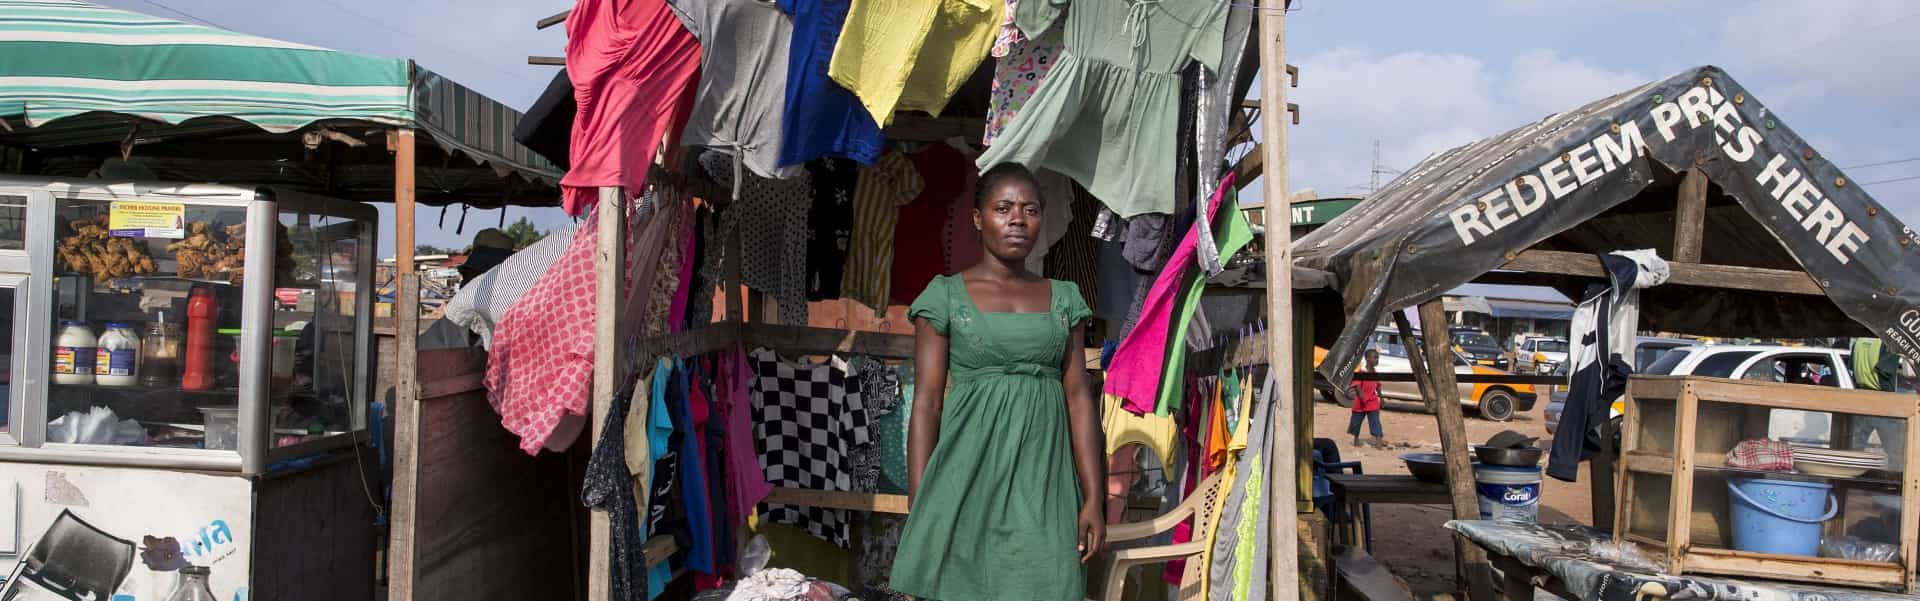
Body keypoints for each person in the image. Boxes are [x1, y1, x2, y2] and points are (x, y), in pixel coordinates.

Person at [889, 163, 1105, 601]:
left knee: (1049, 584)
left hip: (1044, 481)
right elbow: (927, 403)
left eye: (1029, 210)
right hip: (964, 477)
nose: (1017, 221)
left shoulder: (1064, 298)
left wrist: (1094, 497)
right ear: (977, 218)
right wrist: (921, 495)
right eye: (1003, 208)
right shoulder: (945, 296)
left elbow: (1080, 401)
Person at [1348, 348, 1385, 447]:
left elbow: (1378, 386)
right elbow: (1357, 385)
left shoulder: (1375, 373)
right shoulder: (1361, 372)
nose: (1377, 360)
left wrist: (1381, 398)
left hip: (1372, 401)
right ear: (1368, 359)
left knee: (1375, 420)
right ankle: (1356, 439)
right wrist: (1362, 397)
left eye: (1378, 358)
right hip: (1360, 401)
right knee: (1356, 421)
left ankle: (1378, 439)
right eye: (1375, 358)